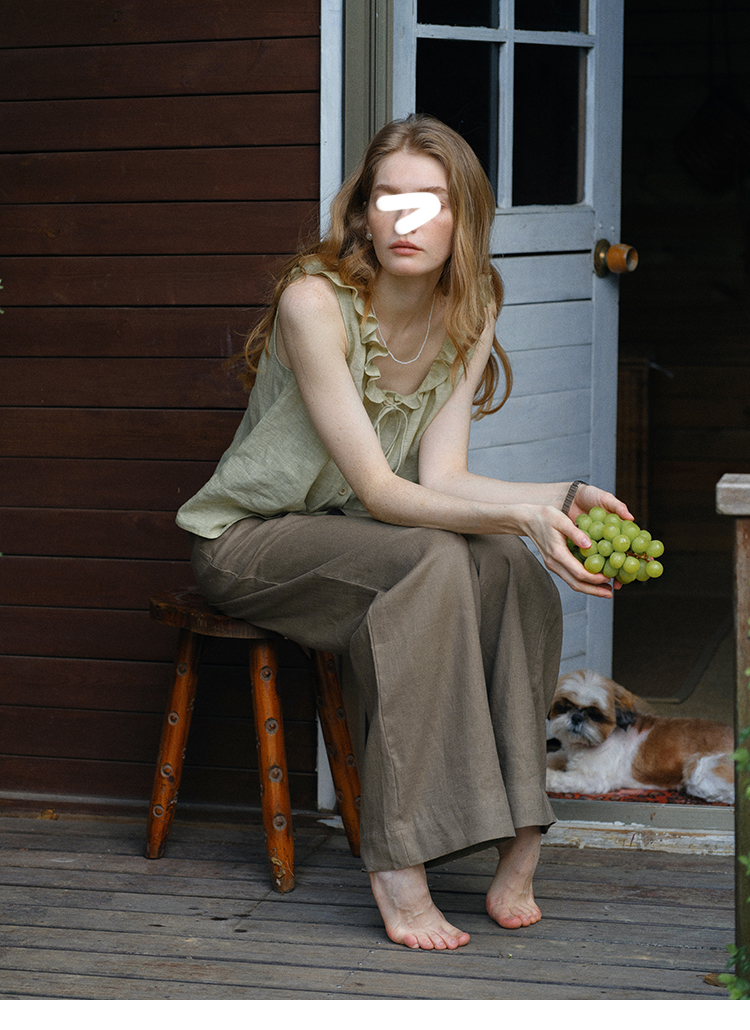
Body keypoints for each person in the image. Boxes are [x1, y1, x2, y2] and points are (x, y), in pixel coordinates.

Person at [176, 114, 632, 951]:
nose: (407, 219)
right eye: (389, 198)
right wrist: (524, 513)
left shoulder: (473, 303)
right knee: (431, 560)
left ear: (465, 217)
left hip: (359, 534)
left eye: (431, 200)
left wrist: (560, 500)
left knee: (509, 566)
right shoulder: (315, 302)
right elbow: (384, 492)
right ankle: (399, 861)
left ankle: (521, 831)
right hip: (250, 541)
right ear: (363, 212)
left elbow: (442, 478)